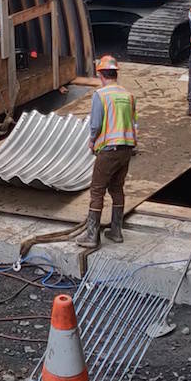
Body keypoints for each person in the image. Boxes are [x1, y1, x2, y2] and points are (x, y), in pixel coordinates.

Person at [84, 55, 136, 246]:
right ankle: (116, 231)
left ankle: (91, 236)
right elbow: (134, 122)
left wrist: (92, 141)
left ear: (100, 74)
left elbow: (96, 124)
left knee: (97, 191)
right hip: (126, 149)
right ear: (116, 73)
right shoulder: (128, 96)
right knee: (116, 188)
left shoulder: (101, 95)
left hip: (109, 149)